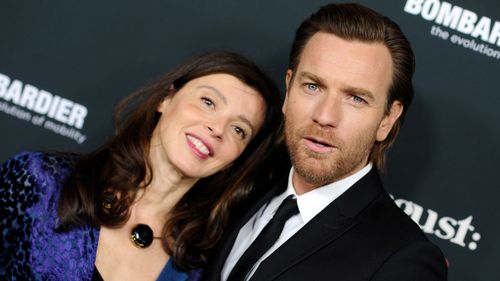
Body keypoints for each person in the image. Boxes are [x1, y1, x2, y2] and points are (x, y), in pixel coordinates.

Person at [204, 3, 448, 281]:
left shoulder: (403, 260)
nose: (324, 116)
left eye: (356, 98)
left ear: (387, 120)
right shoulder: (241, 187)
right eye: (312, 86)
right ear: (288, 88)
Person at [0, 51, 283, 281]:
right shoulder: (40, 180)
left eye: (239, 130)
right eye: (208, 102)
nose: (217, 128)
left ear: (238, 159)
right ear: (166, 98)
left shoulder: (199, 269)